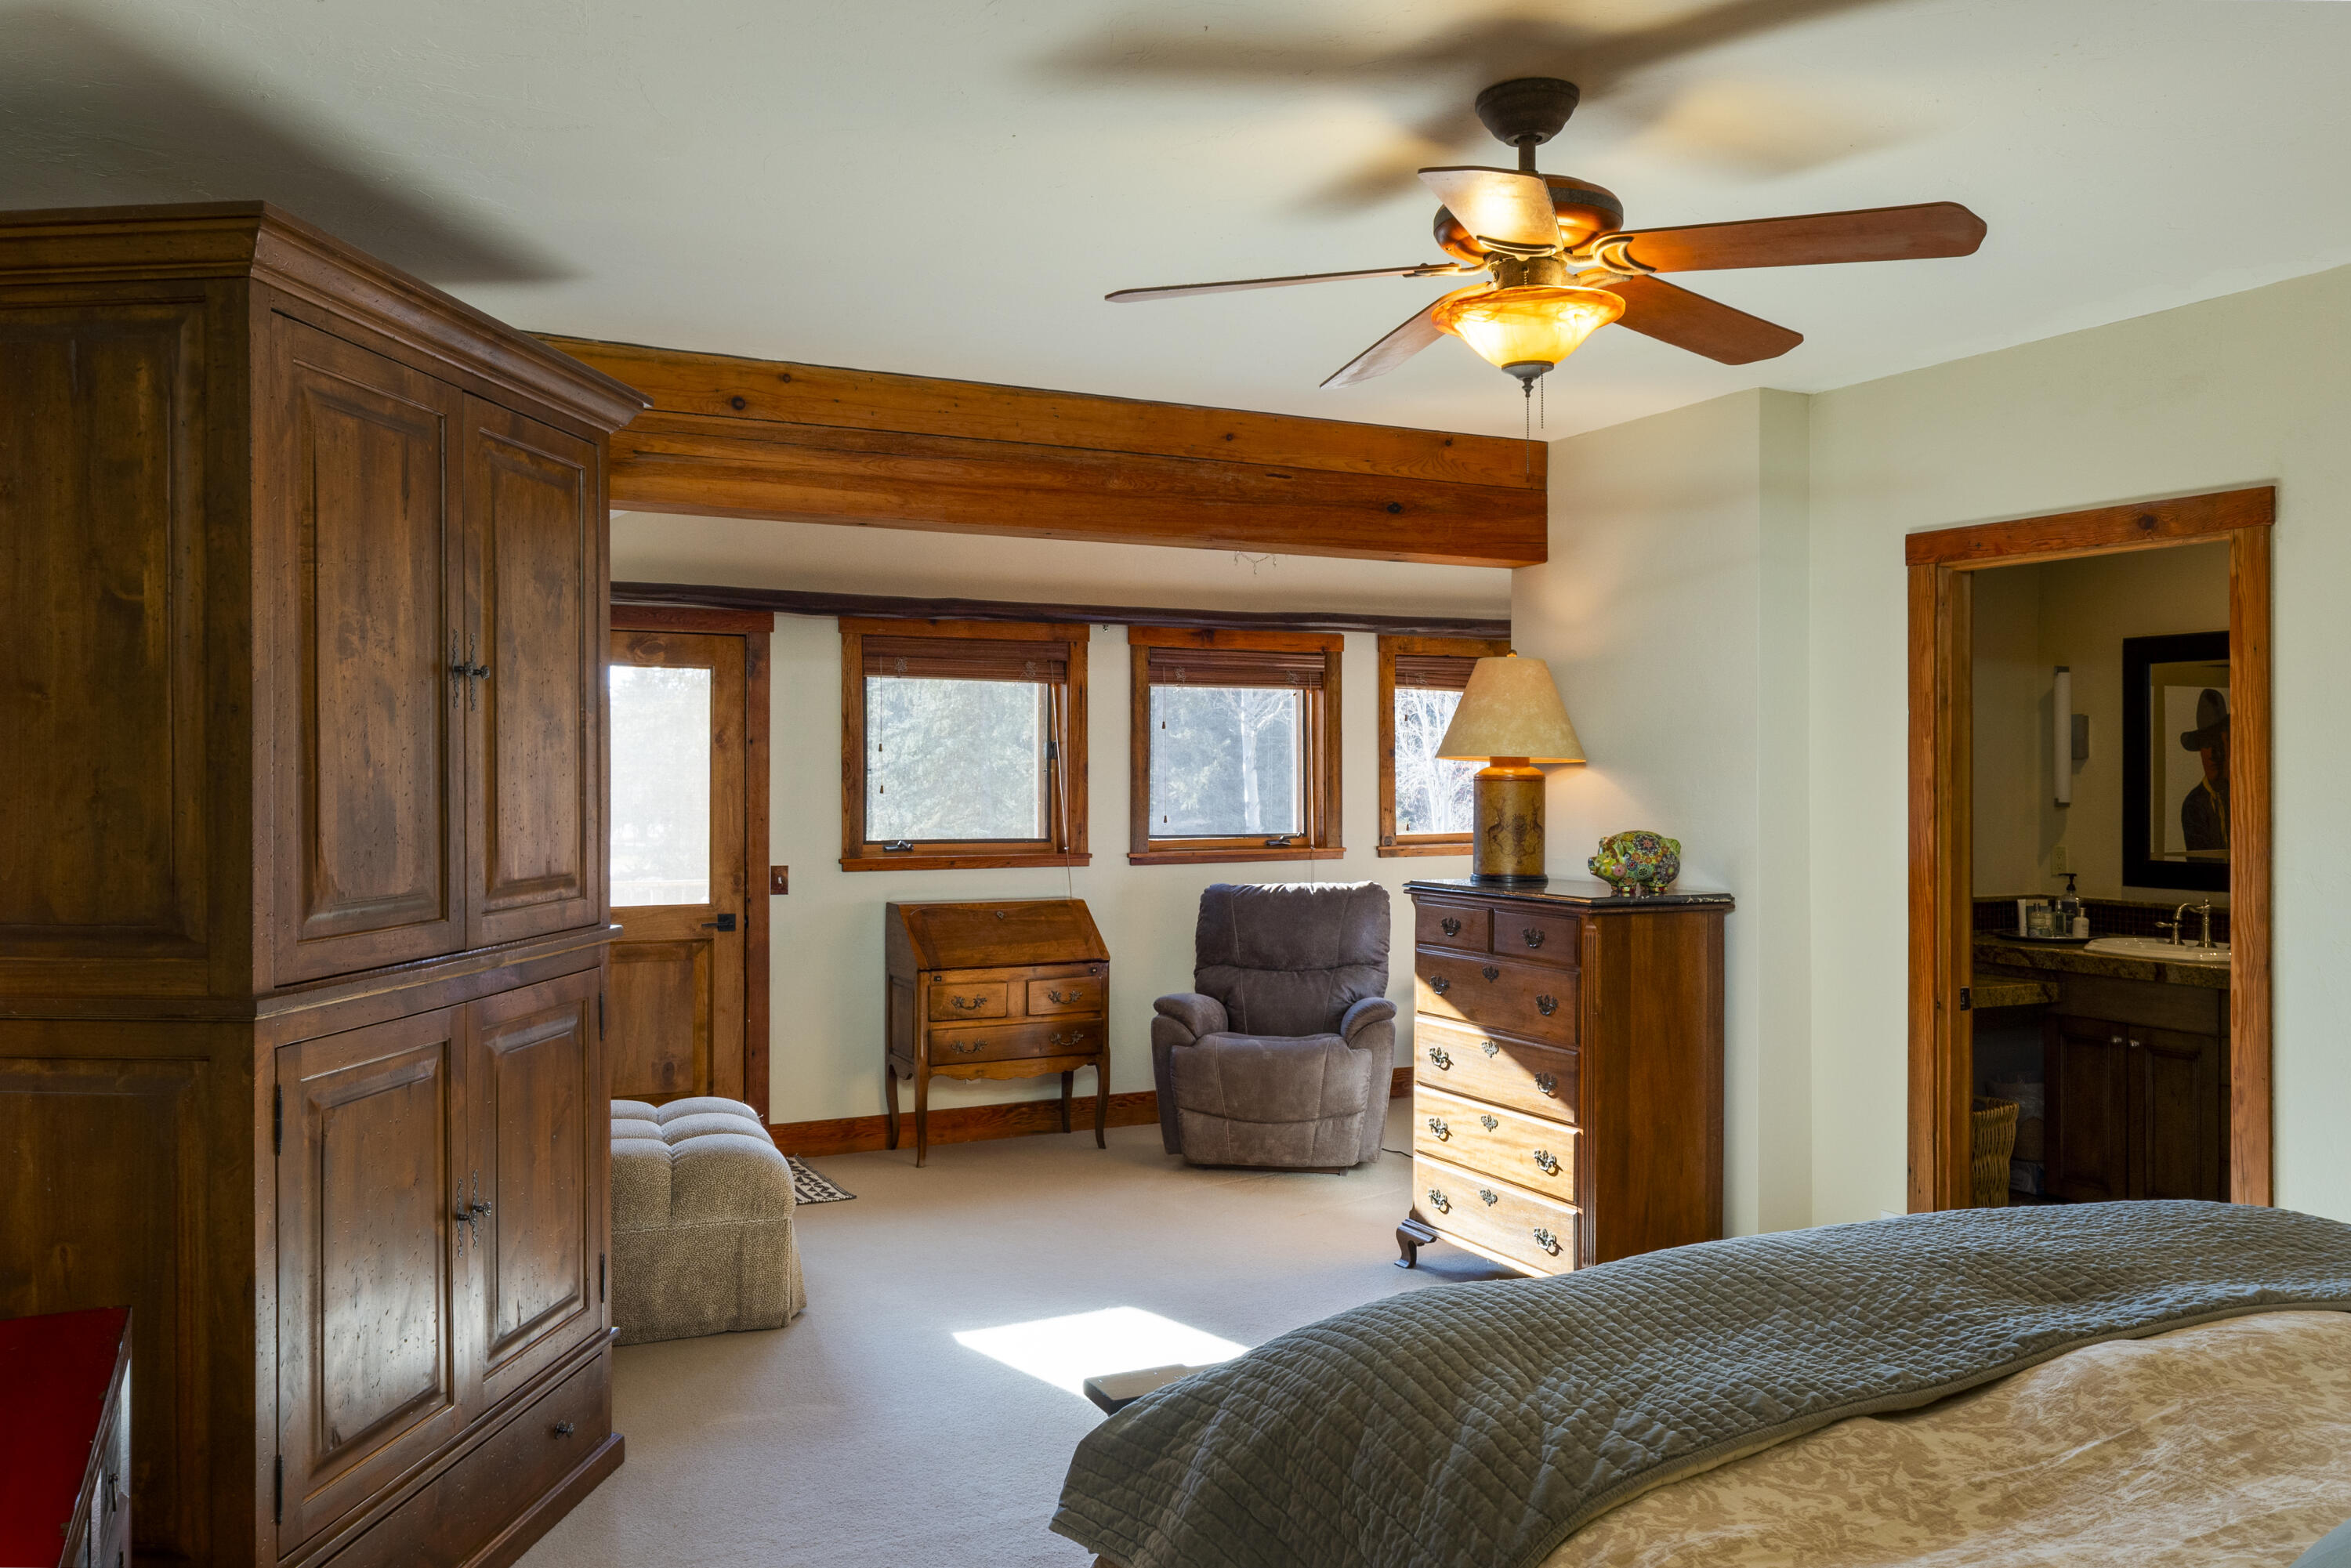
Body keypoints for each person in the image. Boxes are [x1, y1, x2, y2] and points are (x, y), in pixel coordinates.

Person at [2178, 687, 2229, 855]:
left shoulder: (2242, 797)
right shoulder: (2193, 805)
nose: (2213, 754)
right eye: (2206, 745)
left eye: (2218, 745)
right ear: (2200, 750)